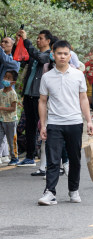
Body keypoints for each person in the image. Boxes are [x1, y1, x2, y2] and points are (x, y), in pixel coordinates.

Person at [37, 40, 93, 205]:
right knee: (53, 159)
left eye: (65, 53)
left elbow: (83, 98)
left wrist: (88, 120)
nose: (62, 56)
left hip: (75, 122)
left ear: (70, 55)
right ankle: (50, 192)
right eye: (59, 53)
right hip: (54, 123)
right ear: (53, 55)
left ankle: (74, 190)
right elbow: (42, 101)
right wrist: (43, 124)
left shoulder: (78, 75)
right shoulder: (47, 77)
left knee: (75, 159)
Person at [17, 28, 53, 167]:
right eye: (37, 38)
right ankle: (30, 157)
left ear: (48, 41)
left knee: (43, 125)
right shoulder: (34, 54)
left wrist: (27, 41)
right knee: (30, 126)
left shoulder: (49, 55)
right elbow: (22, 58)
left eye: (40, 38)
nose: (38, 40)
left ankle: (48, 158)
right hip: (28, 94)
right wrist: (19, 42)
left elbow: (40, 57)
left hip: (40, 96)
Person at [0, 69, 19, 165]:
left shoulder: (13, 94)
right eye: (5, 77)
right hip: (1, 120)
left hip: (11, 121)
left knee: (12, 141)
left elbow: (13, 108)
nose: (5, 79)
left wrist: (1, 108)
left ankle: (14, 158)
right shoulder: (0, 92)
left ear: (13, 82)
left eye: (8, 78)